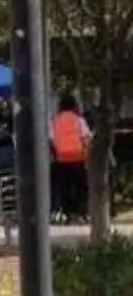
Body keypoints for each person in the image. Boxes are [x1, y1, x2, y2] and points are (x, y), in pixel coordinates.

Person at [51, 93, 91, 222]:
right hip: (78, 157)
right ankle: (81, 212)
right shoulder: (79, 120)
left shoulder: (55, 120)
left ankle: (67, 213)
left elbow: (51, 139)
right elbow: (86, 137)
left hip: (61, 158)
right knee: (81, 187)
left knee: (64, 188)